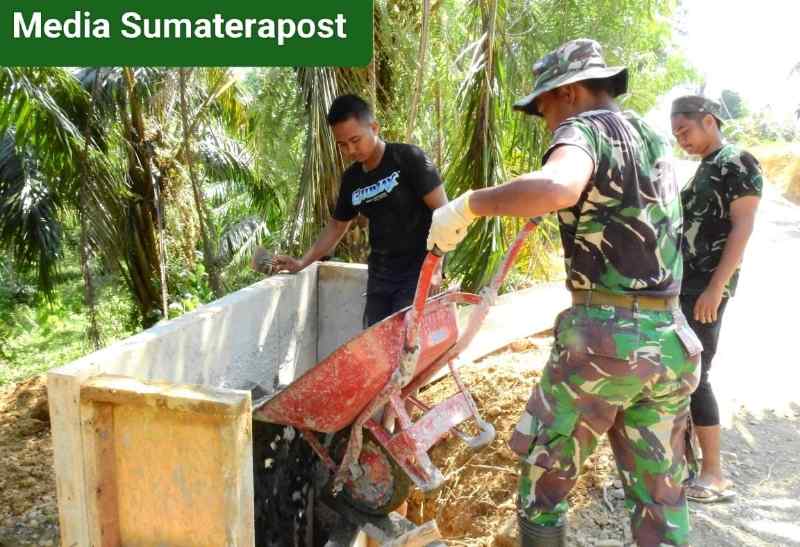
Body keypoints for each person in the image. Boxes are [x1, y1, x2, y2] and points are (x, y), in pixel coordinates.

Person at [427, 39, 701, 546]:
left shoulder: (584, 128)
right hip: (670, 342)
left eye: (544, 108)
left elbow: (558, 187)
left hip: (604, 345)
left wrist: (468, 205)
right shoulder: (653, 137)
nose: (545, 122)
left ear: (570, 93)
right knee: (660, 499)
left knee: (543, 489)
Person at [272, 94, 448, 327]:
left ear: (374, 127)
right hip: (380, 277)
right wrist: (301, 262)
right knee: (378, 347)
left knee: (406, 345)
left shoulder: (408, 159)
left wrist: (435, 269)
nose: (351, 149)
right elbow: (336, 226)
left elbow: (445, 212)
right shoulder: (352, 180)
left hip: (418, 272)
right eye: (342, 144)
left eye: (356, 139)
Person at [671, 95, 762, 503]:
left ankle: (714, 474)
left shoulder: (737, 162)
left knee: (697, 375)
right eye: (676, 135)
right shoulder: (706, 167)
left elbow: (742, 228)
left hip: (706, 289)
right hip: (685, 286)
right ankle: (685, 466)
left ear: (709, 121)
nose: (681, 141)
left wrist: (715, 287)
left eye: (684, 131)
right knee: (681, 373)